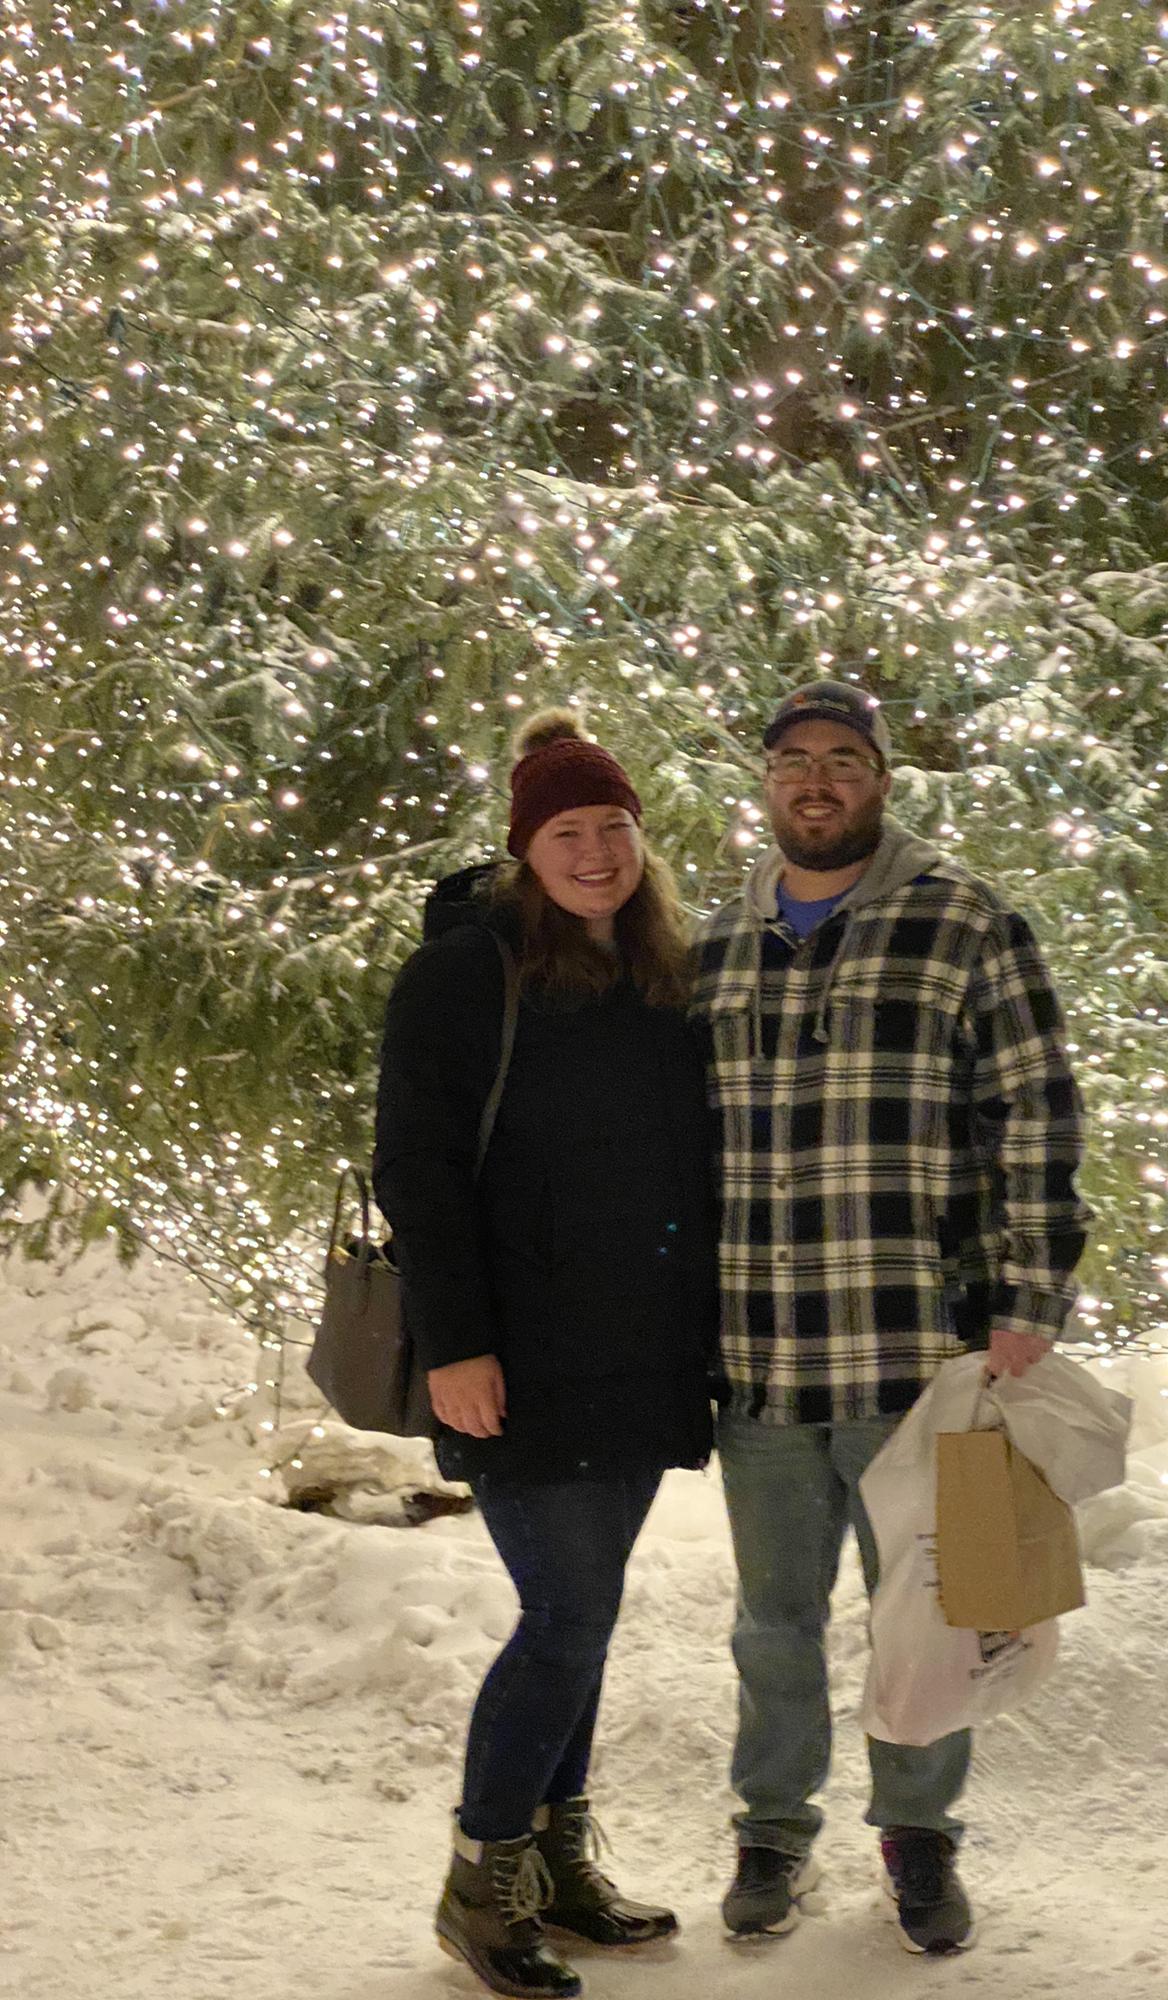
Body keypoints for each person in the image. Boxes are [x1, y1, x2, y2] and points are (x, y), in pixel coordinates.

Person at [690, 680, 1090, 1955]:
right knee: (772, 1621)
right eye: (793, 759)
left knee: (939, 1607)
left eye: (843, 758)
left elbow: (1037, 1109)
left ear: (880, 779)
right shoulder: (715, 943)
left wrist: (1029, 1292)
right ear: (767, 781)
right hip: (758, 1355)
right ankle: (772, 1829)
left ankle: (919, 1836)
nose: (816, 780)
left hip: (918, 1350)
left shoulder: (964, 919)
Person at [374, 711, 717, 2000]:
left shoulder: (661, 968)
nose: (595, 853)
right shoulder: (467, 973)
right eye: (566, 832)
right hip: (515, 1356)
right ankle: (482, 1883)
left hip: (639, 1352)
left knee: (588, 1615)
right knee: (566, 1613)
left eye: (613, 827)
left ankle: (557, 1864)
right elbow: (418, 1168)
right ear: (526, 850)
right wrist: (458, 1342)